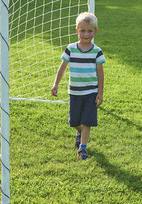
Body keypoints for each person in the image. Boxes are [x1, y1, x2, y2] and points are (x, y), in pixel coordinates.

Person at [51, 12, 105, 160]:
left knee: (88, 120)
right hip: (74, 92)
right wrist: (56, 84)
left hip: (90, 92)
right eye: (82, 30)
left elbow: (100, 74)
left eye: (89, 31)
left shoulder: (97, 52)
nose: (86, 34)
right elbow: (62, 68)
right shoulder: (71, 49)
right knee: (74, 121)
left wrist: (100, 92)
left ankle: (83, 148)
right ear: (77, 31)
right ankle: (79, 131)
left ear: (95, 31)